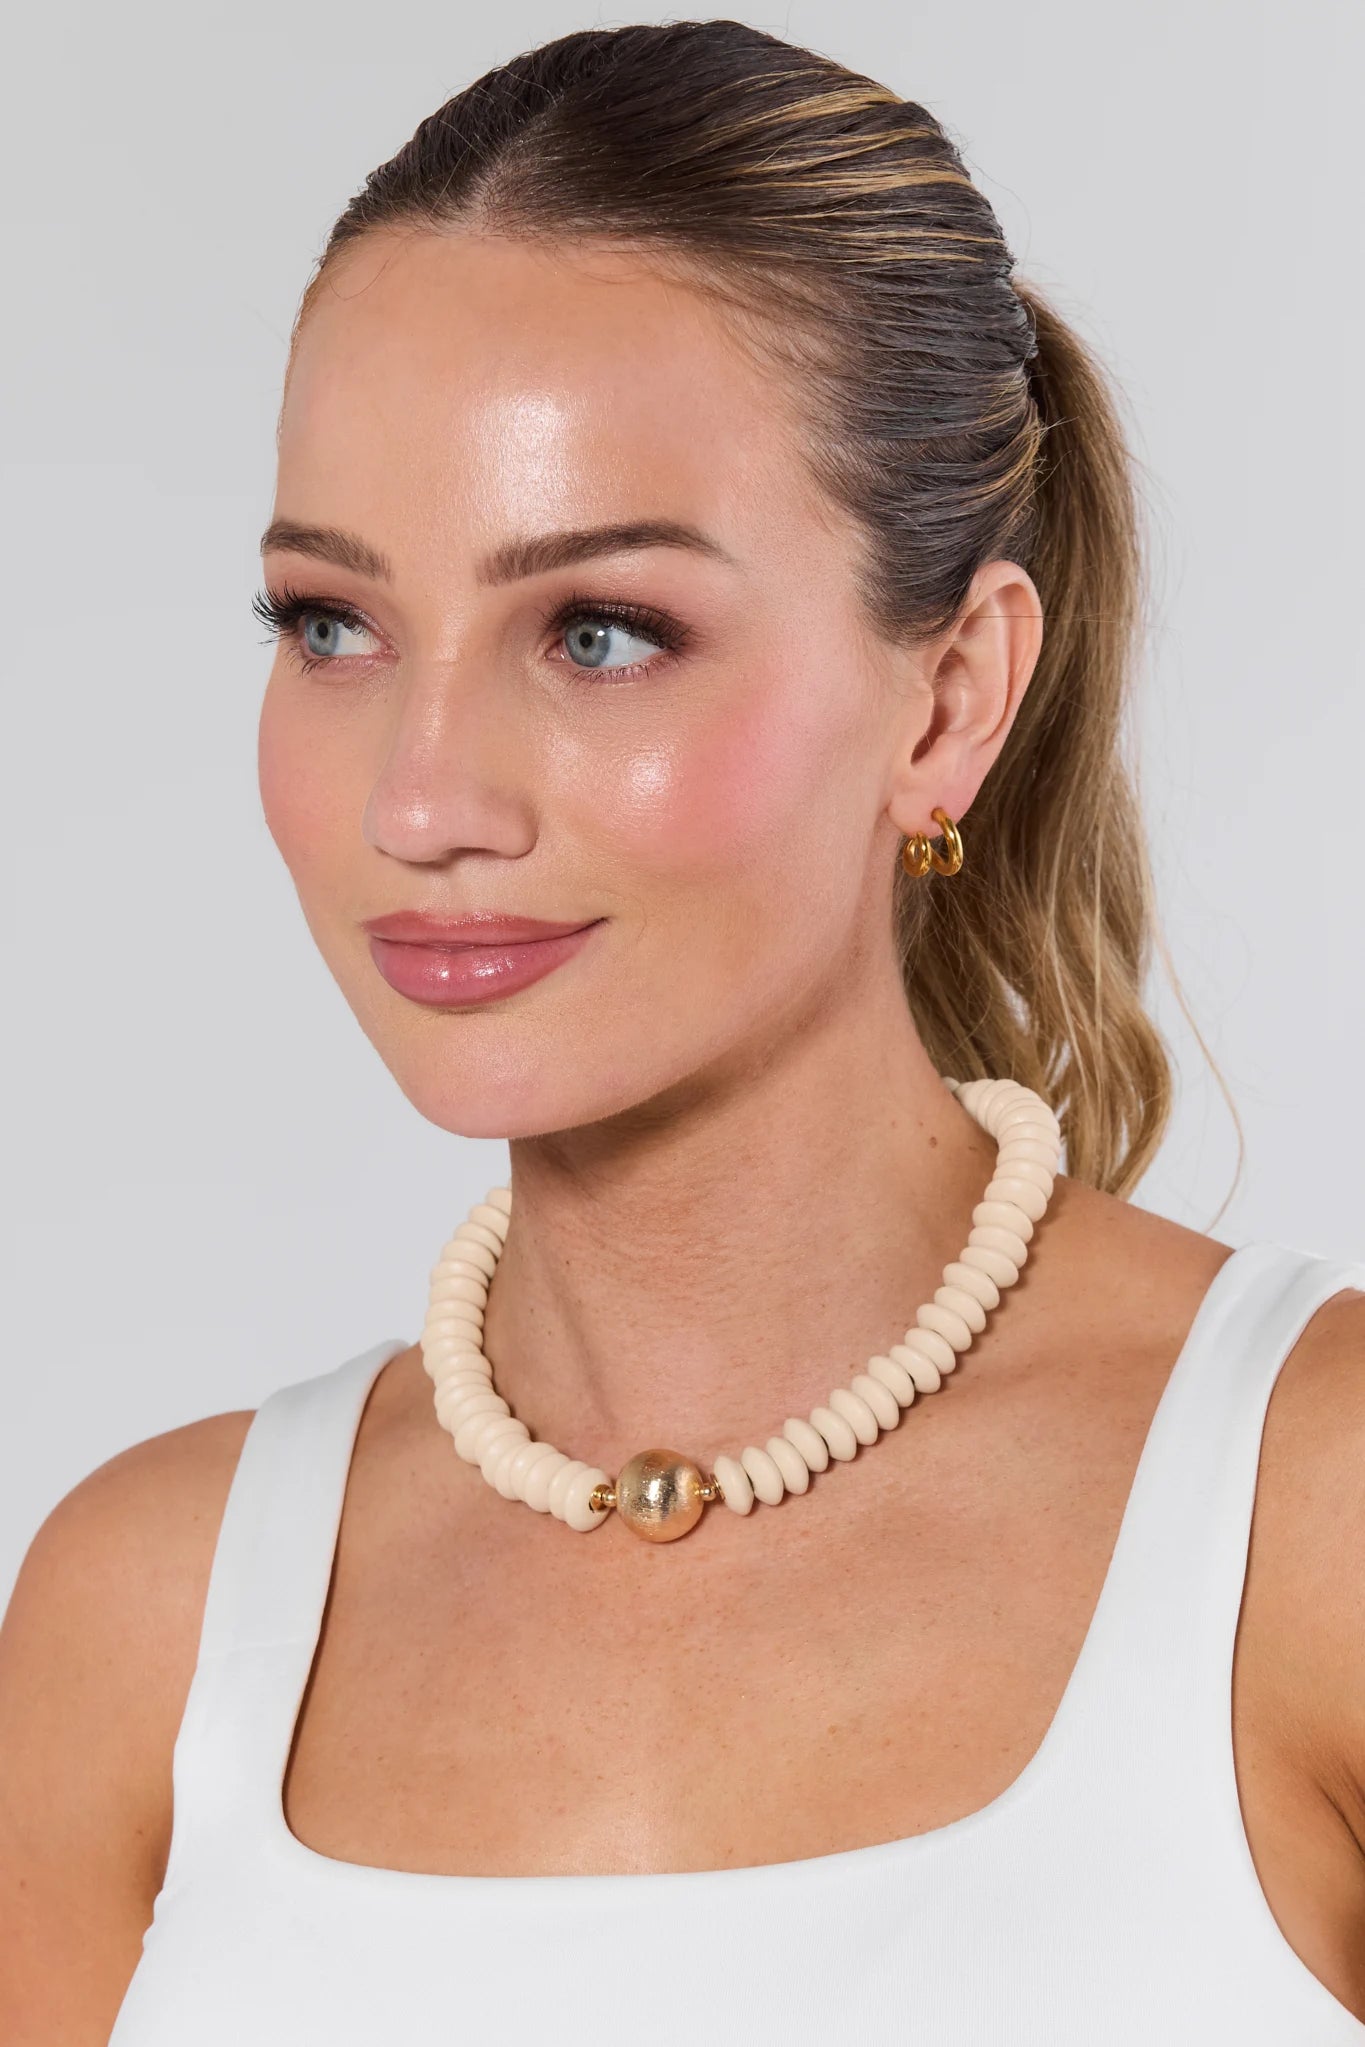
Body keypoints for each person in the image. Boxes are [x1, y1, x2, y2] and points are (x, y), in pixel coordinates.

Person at [3, 18, 1363, 2044]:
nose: (419, 799)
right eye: (330, 624)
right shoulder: (148, 1618)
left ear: (948, 699)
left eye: (599, 632)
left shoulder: (1314, 1519)